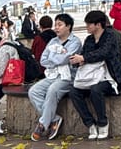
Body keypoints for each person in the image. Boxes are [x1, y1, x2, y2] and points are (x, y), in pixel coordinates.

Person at [68, 10, 121, 140]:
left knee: (96, 89)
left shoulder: (111, 36)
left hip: (112, 76)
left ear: (98, 25)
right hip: (91, 77)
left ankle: (102, 123)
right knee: (74, 91)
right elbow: (85, 56)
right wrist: (76, 61)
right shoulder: (89, 39)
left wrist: (83, 57)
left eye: (89, 24)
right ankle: (90, 124)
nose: (87, 27)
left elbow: (104, 53)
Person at [28, 13, 82, 142]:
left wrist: (55, 57)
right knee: (33, 91)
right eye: (55, 25)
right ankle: (54, 119)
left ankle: (42, 125)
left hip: (68, 77)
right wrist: (57, 58)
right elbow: (43, 60)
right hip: (52, 75)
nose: (56, 28)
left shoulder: (75, 42)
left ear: (68, 26)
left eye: (60, 25)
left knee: (53, 90)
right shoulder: (53, 41)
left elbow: (65, 59)